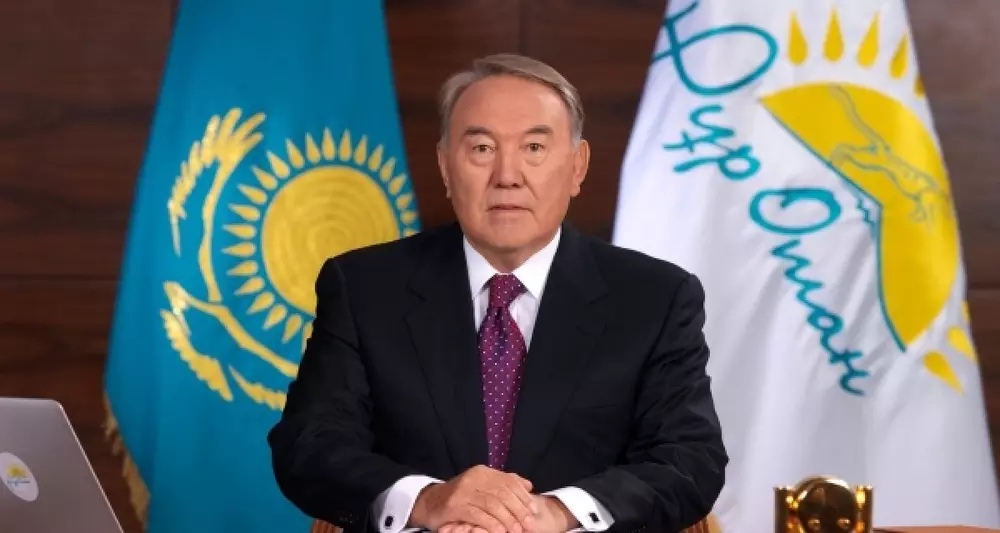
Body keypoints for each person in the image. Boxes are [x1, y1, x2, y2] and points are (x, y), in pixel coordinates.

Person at [268, 53, 728, 533]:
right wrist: (428, 501)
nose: (507, 175)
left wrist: (556, 513)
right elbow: (309, 447)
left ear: (578, 166)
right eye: (482, 148)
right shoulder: (364, 287)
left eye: (534, 147)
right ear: (445, 166)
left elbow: (689, 461)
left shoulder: (655, 298)